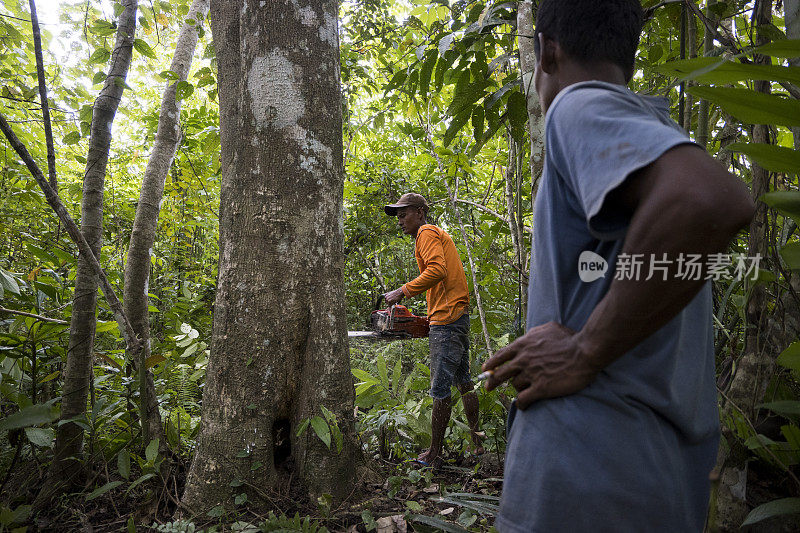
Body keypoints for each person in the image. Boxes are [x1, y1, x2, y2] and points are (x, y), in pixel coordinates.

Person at [481, 0, 755, 531]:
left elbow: (712, 199)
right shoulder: (652, 128)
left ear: (548, 51)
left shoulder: (577, 105)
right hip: (659, 478)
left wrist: (587, 350)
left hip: (586, 474)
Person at [383, 193, 484, 466]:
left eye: (403, 214)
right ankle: (478, 442)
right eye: (398, 216)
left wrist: (402, 291)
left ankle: (434, 454)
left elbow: (437, 270)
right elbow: (443, 279)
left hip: (448, 320)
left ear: (419, 212)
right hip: (454, 316)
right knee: (465, 383)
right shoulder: (435, 234)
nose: (400, 221)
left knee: (440, 389)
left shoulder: (426, 233)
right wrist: (430, 318)